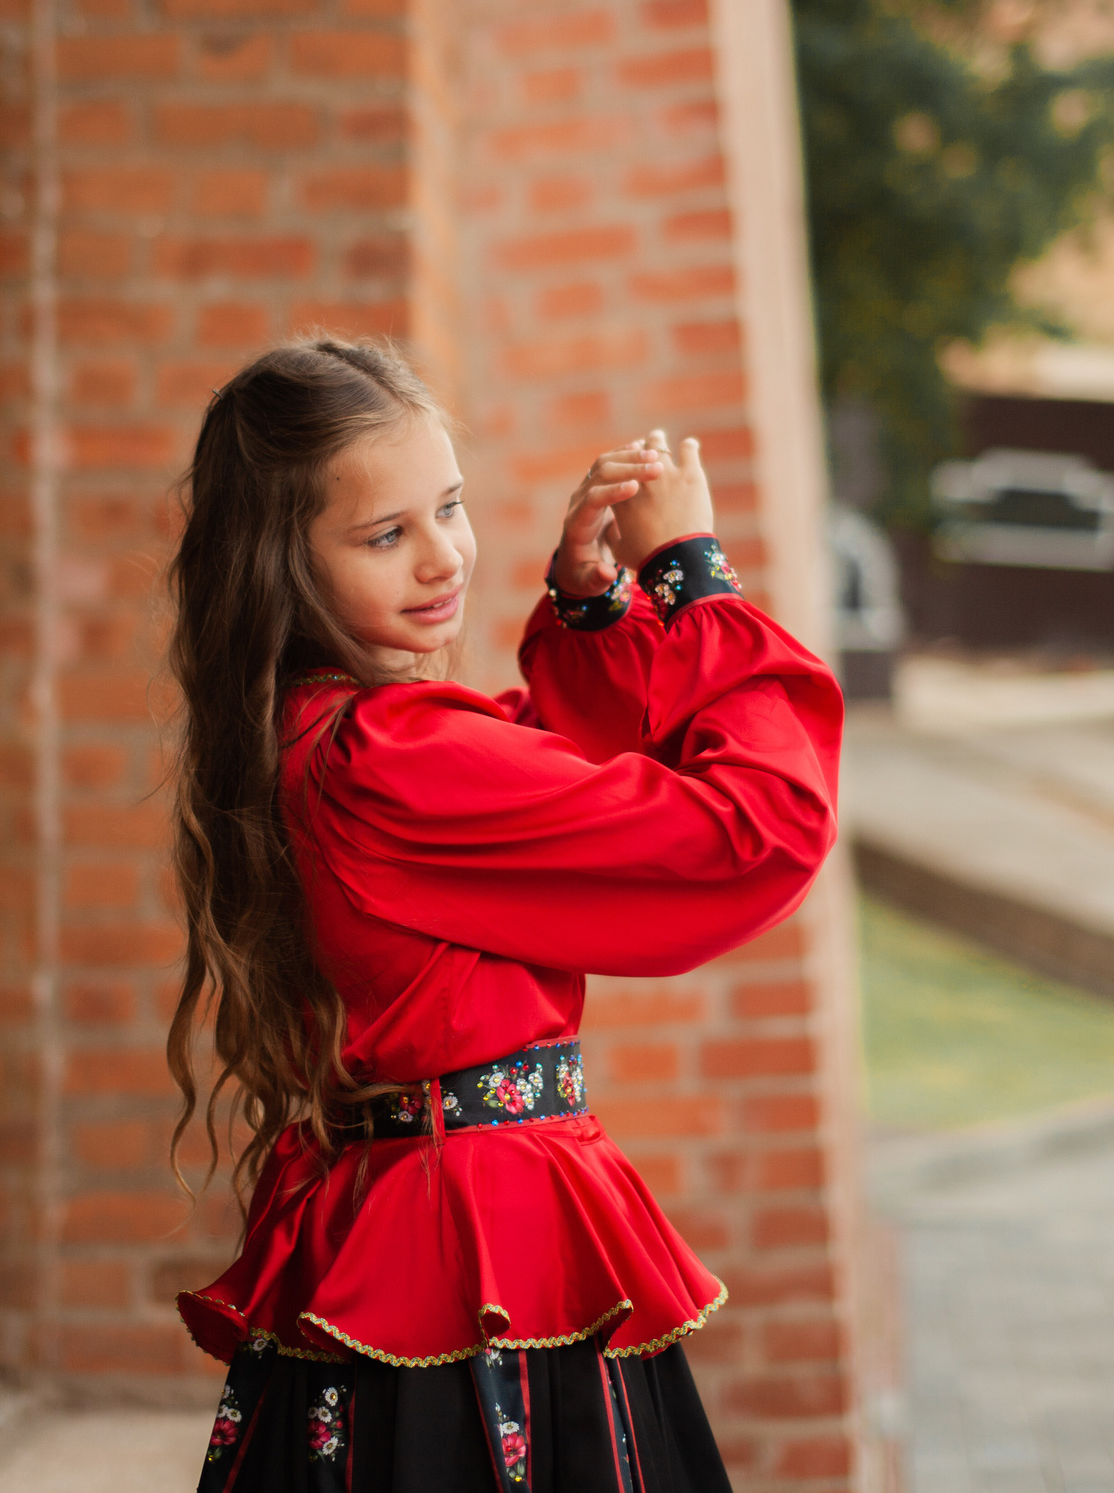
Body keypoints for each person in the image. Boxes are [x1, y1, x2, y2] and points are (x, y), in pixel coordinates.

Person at [165, 339, 842, 1492]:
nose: (442, 558)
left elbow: (553, 783)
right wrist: (689, 574)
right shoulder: (388, 756)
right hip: (478, 1238)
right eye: (385, 535)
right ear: (281, 565)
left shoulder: (327, 736)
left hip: (412, 1216)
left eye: (450, 506)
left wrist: (588, 608)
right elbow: (754, 827)